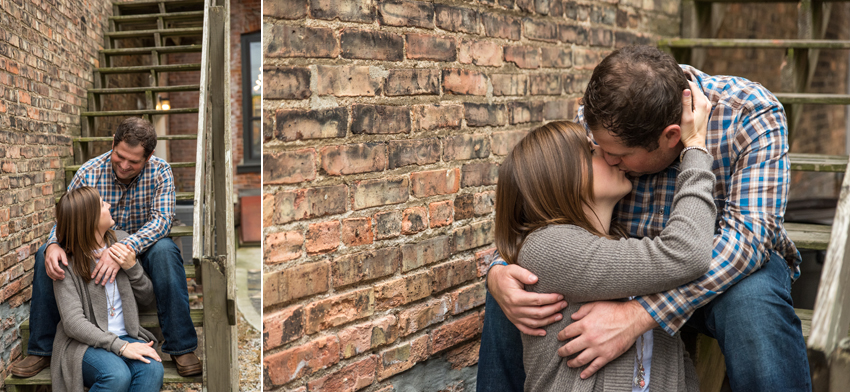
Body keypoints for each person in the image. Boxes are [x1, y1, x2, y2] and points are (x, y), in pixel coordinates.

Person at [479, 45, 811, 392]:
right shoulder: (608, 115)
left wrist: (639, 316)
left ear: (671, 137)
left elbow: (748, 240)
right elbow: (548, 203)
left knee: (754, 302)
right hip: (625, 263)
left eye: (616, 154)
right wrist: (498, 270)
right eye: (596, 148)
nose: (604, 158)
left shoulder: (750, 113)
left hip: (720, 270)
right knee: (518, 289)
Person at [496, 82, 713, 391]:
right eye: (590, 151)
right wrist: (695, 148)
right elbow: (686, 253)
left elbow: (675, 364)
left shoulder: (622, 244)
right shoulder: (548, 248)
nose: (608, 155)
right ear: (563, 178)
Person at [11, 117, 202, 378]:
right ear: (113, 143)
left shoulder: (161, 171)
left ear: (149, 156)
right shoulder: (89, 171)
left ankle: (181, 346)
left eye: (133, 162)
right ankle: (41, 350)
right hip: (91, 253)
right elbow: (68, 217)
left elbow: (161, 221)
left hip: (142, 251)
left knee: (166, 250)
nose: (124, 166)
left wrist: (122, 249)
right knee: (47, 253)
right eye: (119, 155)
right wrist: (54, 242)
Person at [51, 186, 164, 392]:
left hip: (127, 335)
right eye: (103, 204)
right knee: (115, 375)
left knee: (152, 369)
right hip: (83, 344)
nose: (109, 205)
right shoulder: (66, 262)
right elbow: (73, 324)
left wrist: (133, 268)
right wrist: (121, 347)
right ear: (90, 218)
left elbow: (149, 301)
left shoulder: (122, 241)